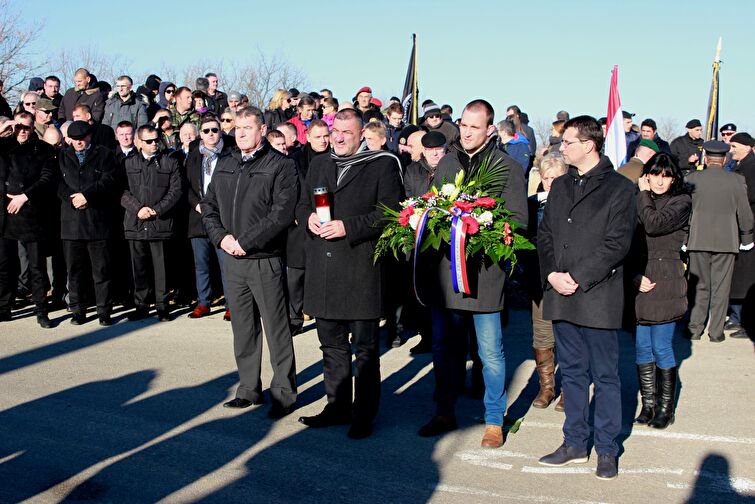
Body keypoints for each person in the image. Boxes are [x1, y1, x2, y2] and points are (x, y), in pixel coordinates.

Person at [418, 100, 527, 450]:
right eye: (463, 124)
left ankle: (494, 420)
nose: (465, 131)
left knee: (490, 352)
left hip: (485, 276)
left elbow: (519, 221)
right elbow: (433, 208)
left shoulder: (506, 167)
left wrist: (481, 227)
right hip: (447, 274)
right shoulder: (447, 163)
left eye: (474, 127)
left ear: (490, 130)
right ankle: (444, 410)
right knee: (444, 347)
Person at [537, 115, 636, 480]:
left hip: (597, 295)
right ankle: (575, 442)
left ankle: (607, 449)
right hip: (560, 293)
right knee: (574, 373)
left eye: (568, 142)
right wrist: (551, 274)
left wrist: (577, 277)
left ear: (589, 145)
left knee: (606, 375)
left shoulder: (619, 188)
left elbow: (617, 244)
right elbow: (544, 234)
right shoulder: (561, 185)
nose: (562, 148)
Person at [296, 108, 402, 439]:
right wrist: (309, 219)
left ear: (361, 136)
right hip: (324, 270)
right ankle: (337, 406)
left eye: (346, 133)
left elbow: (390, 213)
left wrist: (348, 227)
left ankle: (364, 414)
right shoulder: (320, 163)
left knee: (366, 352)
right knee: (331, 346)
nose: (338, 138)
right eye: (335, 131)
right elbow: (302, 204)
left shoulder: (382, 164)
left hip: (360, 271)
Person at [202, 106, 298, 419]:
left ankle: (283, 393)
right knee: (243, 329)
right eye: (237, 127)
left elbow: (281, 214)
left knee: (276, 328)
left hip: (264, 259)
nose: (240, 133)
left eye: (247, 127)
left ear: (262, 129)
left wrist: (246, 241)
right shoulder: (226, 162)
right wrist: (223, 239)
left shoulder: (281, 165)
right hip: (231, 257)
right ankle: (248, 389)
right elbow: (209, 206)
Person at [631, 153, 691, 430]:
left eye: (666, 175)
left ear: (674, 178)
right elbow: (629, 243)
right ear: (647, 174)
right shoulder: (640, 201)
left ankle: (666, 409)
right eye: (655, 174)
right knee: (642, 346)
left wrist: (642, 193)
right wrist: (634, 277)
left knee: (661, 346)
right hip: (643, 277)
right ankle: (649, 405)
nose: (659, 180)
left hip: (666, 278)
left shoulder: (681, 202)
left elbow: (654, 224)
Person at [686, 141, 754, 342]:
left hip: (698, 239)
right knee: (721, 288)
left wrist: (684, 237)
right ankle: (715, 332)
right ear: (724, 160)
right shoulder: (736, 180)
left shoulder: (692, 178)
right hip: (727, 241)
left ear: (706, 159)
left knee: (699, 286)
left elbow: (685, 212)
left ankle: (694, 329)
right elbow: (745, 213)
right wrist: (747, 238)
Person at [57, 120, 120, 325]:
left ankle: (104, 311)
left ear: (89, 136)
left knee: (101, 270)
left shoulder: (104, 154)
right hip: (71, 223)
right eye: (74, 139)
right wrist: (72, 198)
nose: (79, 142)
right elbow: (58, 183)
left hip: (97, 222)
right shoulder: (63, 156)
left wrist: (87, 196)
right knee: (75, 270)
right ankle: (78, 310)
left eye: (82, 138)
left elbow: (109, 180)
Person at [0, 113, 58, 327]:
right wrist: (2, 131)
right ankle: (3, 307)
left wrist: (25, 197)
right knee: (4, 265)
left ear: (34, 128)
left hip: (32, 213)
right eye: (18, 126)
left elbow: (47, 178)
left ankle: (42, 310)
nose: (22, 131)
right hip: (6, 215)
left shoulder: (44, 149)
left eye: (27, 127)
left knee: (36, 266)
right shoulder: (4, 147)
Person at [121, 124, 183, 322]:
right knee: (139, 267)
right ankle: (141, 305)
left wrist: (157, 209)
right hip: (135, 222)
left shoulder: (169, 162)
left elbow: (176, 191)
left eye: (156, 140)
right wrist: (138, 209)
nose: (154, 144)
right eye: (149, 141)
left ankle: (162, 307)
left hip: (160, 223)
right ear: (139, 142)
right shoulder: (128, 163)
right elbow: (121, 191)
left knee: (161, 268)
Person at [525, 155, 567, 411]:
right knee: (542, 333)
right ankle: (547, 387)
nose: (550, 183)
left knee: (568, 336)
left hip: (566, 278)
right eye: (546, 177)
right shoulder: (532, 205)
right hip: (539, 278)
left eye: (555, 177)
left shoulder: (574, 203)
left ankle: (571, 391)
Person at [185, 115, 232, 320]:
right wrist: (197, 205)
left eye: (214, 130)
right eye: (206, 131)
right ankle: (203, 302)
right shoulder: (195, 155)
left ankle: (231, 304)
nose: (211, 134)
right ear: (200, 134)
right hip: (199, 216)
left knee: (226, 264)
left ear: (220, 131)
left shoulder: (230, 153)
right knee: (201, 263)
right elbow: (186, 185)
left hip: (223, 217)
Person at [286, 120, 330, 335]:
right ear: (308, 137)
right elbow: (288, 191)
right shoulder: (295, 160)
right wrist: (298, 214)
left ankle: (325, 315)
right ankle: (294, 318)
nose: (323, 140)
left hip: (327, 222)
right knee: (296, 275)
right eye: (318, 136)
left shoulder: (335, 157)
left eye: (326, 136)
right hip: (299, 223)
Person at [728, 132, 755, 339]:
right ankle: (738, 317)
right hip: (743, 227)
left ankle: (746, 321)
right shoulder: (741, 165)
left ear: (747, 147)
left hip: (749, 229)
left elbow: (747, 197)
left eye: (735, 146)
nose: (731, 149)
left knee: (746, 277)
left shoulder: (750, 167)